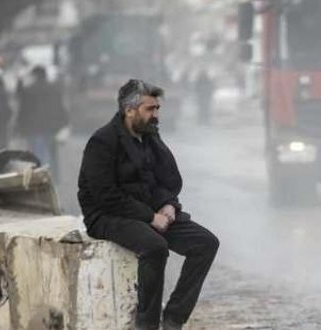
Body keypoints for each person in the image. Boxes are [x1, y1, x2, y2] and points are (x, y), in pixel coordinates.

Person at [77, 79, 219, 330]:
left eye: (157, 108)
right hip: (107, 215)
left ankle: (174, 317)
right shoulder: (103, 141)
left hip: (150, 211)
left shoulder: (150, 137)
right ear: (129, 110)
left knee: (205, 243)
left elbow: (168, 180)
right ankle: (147, 324)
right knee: (155, 247)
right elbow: (104, 195)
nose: (155, 114)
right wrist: (150, 217)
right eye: (149, 109)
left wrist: (168, 205)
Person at [16, 65, 68, 180]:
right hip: (50, 127)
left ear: (35, 75)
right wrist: (63, 122)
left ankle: (39, 176)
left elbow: (23, 110)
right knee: (51, 153)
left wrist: (20, 127)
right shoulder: (53, 89)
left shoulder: (29, 90)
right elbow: (59, 107)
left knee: (37, 153)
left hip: (34, 128)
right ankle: (53, 176)